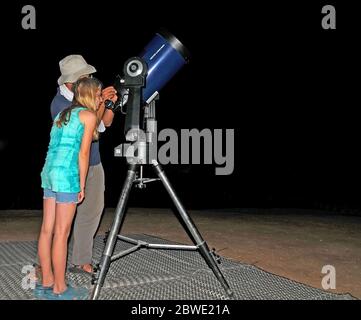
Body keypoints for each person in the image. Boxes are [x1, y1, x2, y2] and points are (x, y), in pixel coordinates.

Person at [37, 77, 103, 299]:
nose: (101, 97)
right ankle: (59, 287)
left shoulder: (62, 114)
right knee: (62, 233)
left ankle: (46, 281)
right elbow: (83, 153)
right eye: (99, 93)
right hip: (66, 175)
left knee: (47, 229)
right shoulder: (89, 115)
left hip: (49, 172)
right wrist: (81, 184)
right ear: (90, 95)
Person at [51, 55, 117, 274]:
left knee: (92, 211)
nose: (90, 78)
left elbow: (105, 121)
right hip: (71, 167)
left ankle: (80, 260)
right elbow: (91, 129)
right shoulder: (60, 105)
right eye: (85, 76)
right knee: (64, 221)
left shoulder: (85, 95)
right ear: (72, 82)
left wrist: (109, 104)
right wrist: (98, 103)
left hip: (94, 162)